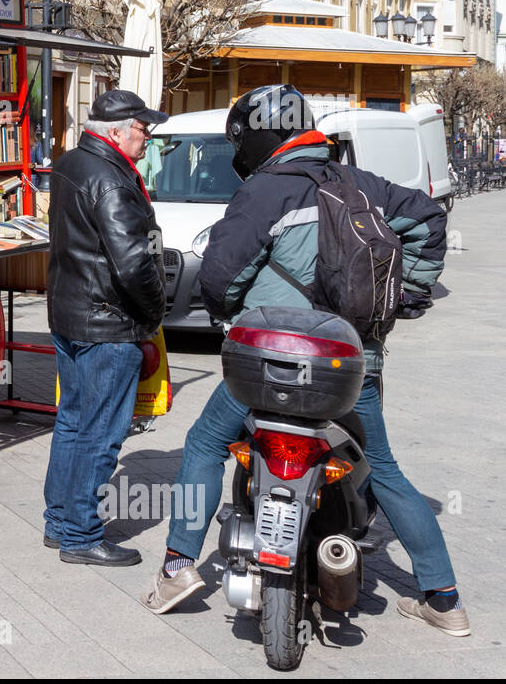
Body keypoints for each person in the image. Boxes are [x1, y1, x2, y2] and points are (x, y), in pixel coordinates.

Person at [140, 84, 468, 637]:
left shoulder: (265, 192)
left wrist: (230, 316)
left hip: (267, 365)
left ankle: (178, 567)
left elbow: (220, 276)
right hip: (348, 364)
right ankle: (445, 599)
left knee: (204, 442)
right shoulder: (362, 184)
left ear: (258, 140)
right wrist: (406, 297)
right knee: (384, 470)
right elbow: (431, 220)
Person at [44, 89, 167, 567]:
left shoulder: (71, 163)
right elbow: (133, 263)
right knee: (100, 434)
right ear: (115, 132)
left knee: (73, 424)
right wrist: (154, 313)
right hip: (107, 324)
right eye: (142, 129)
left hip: (71, 315)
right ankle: (79, 533)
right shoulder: (112, 180)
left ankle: (61, 521)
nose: (147, 137)